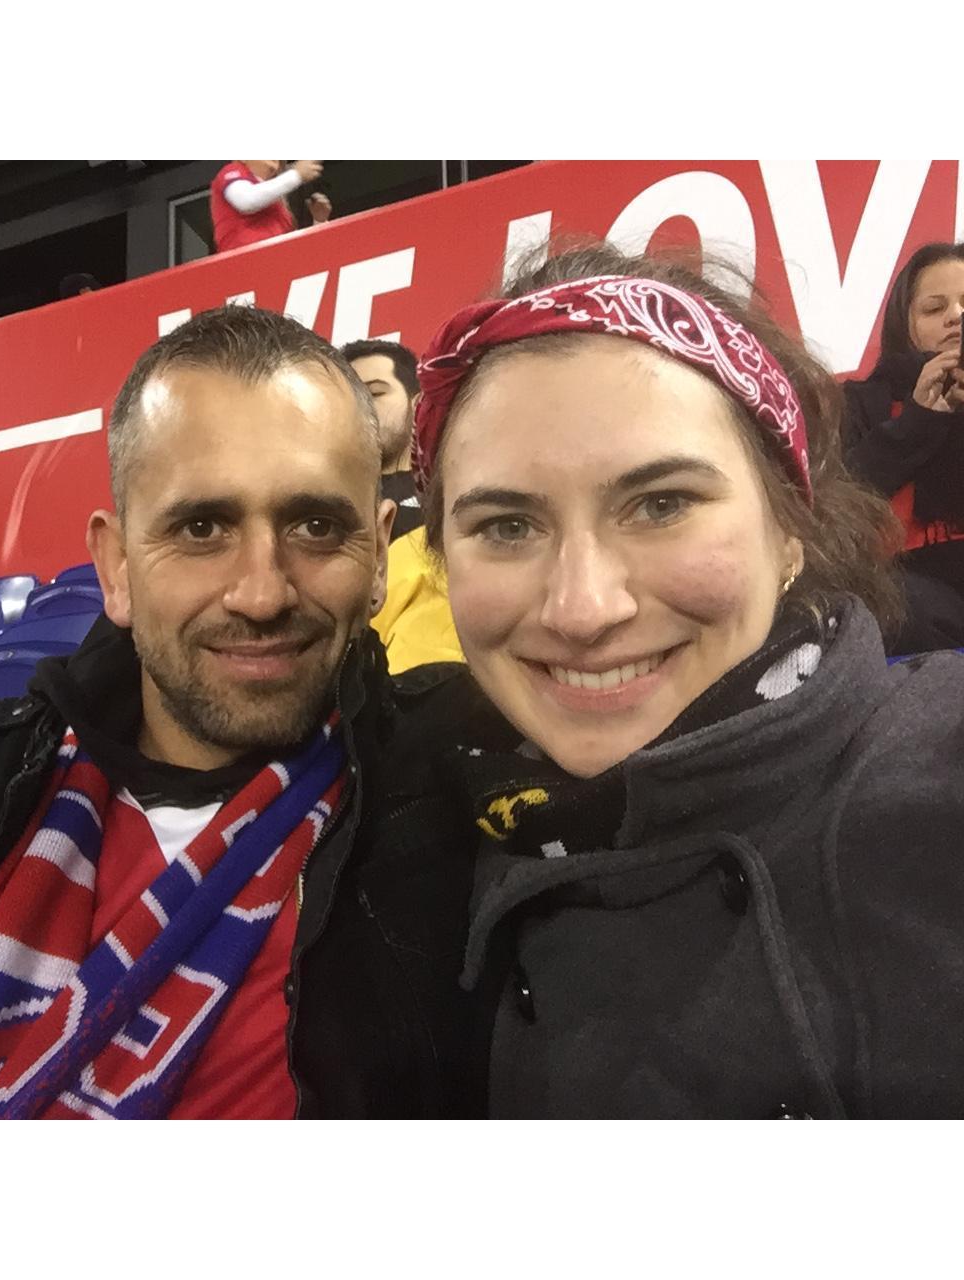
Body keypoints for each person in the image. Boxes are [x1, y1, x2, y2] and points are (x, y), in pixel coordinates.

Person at [0, 305, 476, 1119]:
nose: (262, 592)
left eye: (316, 525)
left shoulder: (468, 813)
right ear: (116, 565)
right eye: (201, 527)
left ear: (380, 552)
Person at [404, 241, 964, 1118]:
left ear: (790, 531)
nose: (583, 609)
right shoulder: (418, 837)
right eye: (508, 525)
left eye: (661, 505)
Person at [842, 242, 964, 652]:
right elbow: (833, 506)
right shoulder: (859, 402)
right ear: (905, 324)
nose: (956, 317)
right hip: (904, 599)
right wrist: (917, 420)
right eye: (934, 309)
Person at [342, 339, 464, 673]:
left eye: (375, 393)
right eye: (348, 399)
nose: (360, 409)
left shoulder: (460, 488)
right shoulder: (317, 503)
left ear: (418, 403)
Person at [209, 160, 330, 254]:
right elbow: (247, 201)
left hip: (278, 271)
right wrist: (296, 175)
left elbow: (297, 251)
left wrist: (319, 221)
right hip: (242, 270)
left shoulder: (280, 209)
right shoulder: (231, 171)